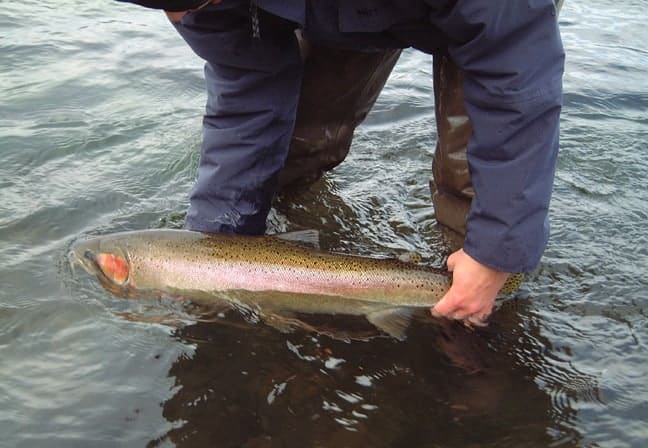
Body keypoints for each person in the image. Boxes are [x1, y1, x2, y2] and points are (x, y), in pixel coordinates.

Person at [115, 0, 565, 327]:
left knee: (479, 206)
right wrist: (215, 248)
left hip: (496, 22)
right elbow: (248, 97)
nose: (180, 16)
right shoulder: (192, 5)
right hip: (328, 14)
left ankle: (484, 322)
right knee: (292, 151)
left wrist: (497, 248)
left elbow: (515, 70)